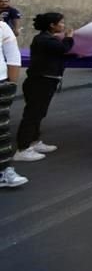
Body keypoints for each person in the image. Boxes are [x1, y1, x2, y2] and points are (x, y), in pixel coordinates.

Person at [13, 13, 74, 162]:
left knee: (39, 114)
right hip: (40, 82)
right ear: (52, 25)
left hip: (45, 81)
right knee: (32, 115)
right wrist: (69, 37)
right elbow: (63, 48)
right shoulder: (44, 40)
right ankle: (22, 149)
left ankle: (34, 142)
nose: (63, 25)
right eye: (61, 22)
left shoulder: (48, 39)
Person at [0, 18, 27, 187]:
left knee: (1, 131)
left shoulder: (2, 27)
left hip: (1, 84)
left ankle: (4, 171)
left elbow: (13, 56)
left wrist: (11, 85)